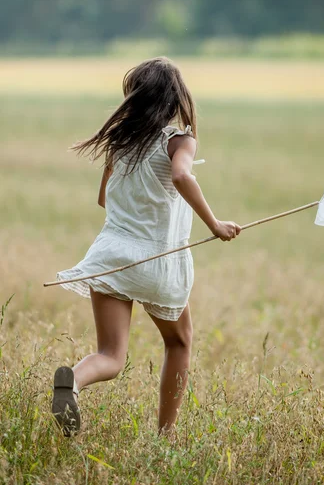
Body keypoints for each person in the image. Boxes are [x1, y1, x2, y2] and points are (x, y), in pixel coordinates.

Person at [51, 57, 241, 437]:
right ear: (176, 100)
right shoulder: (179, 140)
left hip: (110, 256)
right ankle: (165, 436)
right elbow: (182, 174)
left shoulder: (120, 141)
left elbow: (105, 199)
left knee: (110, 355)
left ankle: (73, 381)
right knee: (180, 342)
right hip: (158, 259)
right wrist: (214, 224)